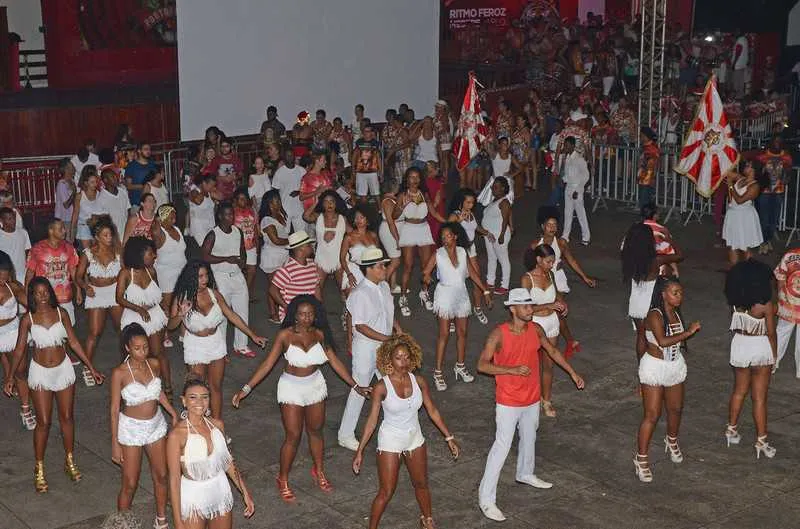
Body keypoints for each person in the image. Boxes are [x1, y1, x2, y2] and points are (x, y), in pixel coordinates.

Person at [232, 295, 368, 501]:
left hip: (315, 386)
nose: (307, 318)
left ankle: (319, 470)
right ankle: (282, 478)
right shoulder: (285, 335)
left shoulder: (320, 334)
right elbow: (268, 364)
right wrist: (246, 388)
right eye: (302, 314)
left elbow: (335, 362)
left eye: (310, 314)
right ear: (295, 316)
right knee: (293, 436)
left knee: (316, 431)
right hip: (291, 388)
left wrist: (356, 386)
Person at [477, 288, 584, 521]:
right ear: (512, 309)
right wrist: (511, 370)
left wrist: (572, 372)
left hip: (532, 397)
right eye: (525, 306)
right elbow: (482, 365)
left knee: (529, 436)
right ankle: (486, 499)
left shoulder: (536, 329)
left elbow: (552, 351)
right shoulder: (498, 334)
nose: (530, 310)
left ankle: (525, 473)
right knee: (502, 446)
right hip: (508, 400)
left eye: (530, 305)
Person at [3, 277, 103, 492]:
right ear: (31, 296)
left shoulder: (61, 313)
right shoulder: (28, 319)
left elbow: (73, 341)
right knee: (44, 422)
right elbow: (19, 350)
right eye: (37, 293)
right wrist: (10, 377)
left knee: (67, 417)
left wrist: (91, 367)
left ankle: (70, 460)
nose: (42, 296)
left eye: (45, 292)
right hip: (40, 373)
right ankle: (39, 468)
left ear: (50, 292)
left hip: (63, 370)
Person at [352, 333, 460, 529]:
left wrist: (449, 437)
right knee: (386, 491)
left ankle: (427, 520)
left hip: (414, 438)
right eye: (398, 357)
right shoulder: (381, 387)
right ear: (389, 360)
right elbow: (372, 421)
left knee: (421, 484)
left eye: (406, 357)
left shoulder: (419, 381)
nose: (403, 362)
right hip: (390, 440)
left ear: (413, 358)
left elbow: (432, 410)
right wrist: (360, 451)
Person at [169, 260, 266, 419]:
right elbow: (170, 326)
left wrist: (252, 335)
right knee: (198, 388)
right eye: (200, 276)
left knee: (215, 387)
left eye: (206, 275)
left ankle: (217, 424)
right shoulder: (181, 298)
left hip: (215, 343)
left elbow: (232, 315)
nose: (204, 279)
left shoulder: (214, 294)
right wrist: (181, 314)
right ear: (191, 277)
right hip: (195, 345)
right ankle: (198, 424)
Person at [110, 323, 178, 529]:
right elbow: (114, 409)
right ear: (127, 348)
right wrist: (115, 443)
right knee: (130, 482)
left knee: (162, 475)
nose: (143, 352)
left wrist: (172, 412)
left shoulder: (154, 364)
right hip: (131, 429)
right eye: (137, 348)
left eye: (146, 347)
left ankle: (161, 519)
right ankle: (123, 524)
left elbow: (157, 392)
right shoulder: (120, 373)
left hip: (155, 425)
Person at [634, 276, 700, 482]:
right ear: (663, 294)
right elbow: (662, 341)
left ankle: (671, 440)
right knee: (652, 414)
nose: (679, 296)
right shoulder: (654, 315)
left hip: (674, 365)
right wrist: (688, 332)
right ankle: (641, 459)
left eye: (680, 293)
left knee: (676, 408)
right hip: (654, 367)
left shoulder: (675, 312)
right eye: (675, 293)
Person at [166, 378, 255, 529]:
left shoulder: (217, 425)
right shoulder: (176, 435)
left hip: (220, 489)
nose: (199, 402)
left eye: (204, 397)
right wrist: (178, 521)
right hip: (193, 496)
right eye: (193, 397)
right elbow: (174, 479)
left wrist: (245, 493)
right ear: (184, 401)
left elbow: (228, 462)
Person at [338, 248, 402, 451]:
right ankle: (345, 435)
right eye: (380, 266)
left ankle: (395, 427)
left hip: (384, 345)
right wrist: (387, 338)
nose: (385, 268)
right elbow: (360, 326)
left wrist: (397, 328)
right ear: (369, 269)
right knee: (360, 388)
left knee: (391, 385)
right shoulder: (359, 294)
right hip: (366, 348)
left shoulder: (384, 287)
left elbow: (386, 312)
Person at [424, 222, 492, 391]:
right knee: (444, 334)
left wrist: (485, 291)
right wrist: (426, 278)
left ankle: (460, 366)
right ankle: (438, 372)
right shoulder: (438, 254)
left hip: (461, 294)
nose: (445, 239)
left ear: (455, 236)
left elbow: (473, 274)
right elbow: (425, 272)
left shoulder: (462, 252)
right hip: (444, 295)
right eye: (443, 237)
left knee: (462, 333)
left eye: (448, 236)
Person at [724, 260, 777, 459]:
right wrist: (774, 356)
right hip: (760, 347)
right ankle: (761, 441)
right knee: (759, 398)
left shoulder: (735, 304)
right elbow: (771, 333)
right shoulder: (765, 306)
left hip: (740, 345)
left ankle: (731, 429)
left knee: (739, 391)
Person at [532, 206, 596, 356]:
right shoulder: (535, 245)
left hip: (558, 279)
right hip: (543, 280)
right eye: (549, 225)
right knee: (551, 312)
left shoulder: (561, 243)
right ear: (543, 226)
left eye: (555, 225)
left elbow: (571, 260)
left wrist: (584, 277)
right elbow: (531, 265)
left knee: (557, 310)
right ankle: (567, 341)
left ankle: (565, 342)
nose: (552, 228)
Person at [116, 237, 172, 398]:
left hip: (154, 316)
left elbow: (158, 294)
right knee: (133, 356)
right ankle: (131, 389)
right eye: (150, 253)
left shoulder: (151, 271)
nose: (154, 256)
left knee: (158, 353)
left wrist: (165, 309)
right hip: (134, 317)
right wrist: (138, 309)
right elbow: (119, 298)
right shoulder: (125, 273)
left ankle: (167, 387)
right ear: (139, 254)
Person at [621, 222, 684, 364]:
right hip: (650, 302)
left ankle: (641, 367)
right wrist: (669, 239)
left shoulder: (628, 257)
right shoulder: (656, 260)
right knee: (654, 338)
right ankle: (655, 364)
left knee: (641, 335)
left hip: (635, 301)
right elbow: (679, 256)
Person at [201, 201, 253, 358]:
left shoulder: (237, 231)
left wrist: (242, 262)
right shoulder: (213, 234)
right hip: (221, 276)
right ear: (220, 216)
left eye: (232, 214)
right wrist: (225, 259)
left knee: (243, 310)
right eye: (227, 214)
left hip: (237, 275)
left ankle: (241, 345)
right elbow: (204, 256)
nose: (231, 217)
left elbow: (242, 250)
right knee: (223, 314)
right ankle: (221, 350)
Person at [76, 215, 122, 384]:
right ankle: (88, 367)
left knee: (122, 329)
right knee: (94, 332)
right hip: (96, 294)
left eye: (110, 234)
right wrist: (85, 287)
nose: (109, 238)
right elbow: (78, 276)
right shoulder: (88, 254)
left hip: (115, 292)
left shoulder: (117, 251)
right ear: (97, 237)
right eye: (105, 235)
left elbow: (125, 272)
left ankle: (129, 362)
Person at [394, 167, 445, 316]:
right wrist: (402, 205)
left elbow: (433, 213)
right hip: (409, 229)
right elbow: (394, 215)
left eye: (417, 177)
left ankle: (424, 292)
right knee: (408, 266)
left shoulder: (424, 194)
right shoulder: (403, 195)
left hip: (423, 229)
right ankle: (403, 298)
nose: (415, 180)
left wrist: (449, 222)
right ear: (407, 179)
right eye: (412, 177)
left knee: (426, 265)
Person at [448, 189, 495, 324]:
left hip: (471, 248)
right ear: (461, 202)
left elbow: (475, 227)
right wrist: (458, 222)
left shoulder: (471, 214)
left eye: (472, 203)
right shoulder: (455, 215)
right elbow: (446, 232)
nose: (471, 205)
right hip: (458, 251)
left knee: (477, 279)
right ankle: (452, 316)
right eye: (468, 202)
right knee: (456, 283)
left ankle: (477, 308)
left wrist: (486, 233)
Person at [26, 218, 81, 326]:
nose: (64, 231)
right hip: (45, 300)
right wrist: (28, 296)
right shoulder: (37, 249)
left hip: (65, 298)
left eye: (64, 228)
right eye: (61, 229)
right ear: (51, 230)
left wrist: (78, 290)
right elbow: (30, 274)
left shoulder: (69, 247)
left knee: (68, 330)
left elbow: (73, 271)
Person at [0, 252, 32, 429]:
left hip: (12, 331)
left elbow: (31, 303)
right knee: (6, 359)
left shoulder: (13, 286)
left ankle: (26, 409)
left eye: (5, 277)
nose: (2, 281)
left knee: (20, 370)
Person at [152, 204, 187, 347]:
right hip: (166, 274)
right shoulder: (159, 233)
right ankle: (164, 334)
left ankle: (183, 333)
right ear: (163, 217)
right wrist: (157, 219)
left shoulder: (177, 229)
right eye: (170, 216)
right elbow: (154, 228)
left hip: (181, 271)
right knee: (166, 305)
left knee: (184, 302)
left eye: (175, 215)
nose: (174, 218)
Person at [269, 231, 321, 321]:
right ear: (301, 248)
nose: (311, 247)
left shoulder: (312, 264)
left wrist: (319, 307)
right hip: (293, 317)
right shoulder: (287, 269)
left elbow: (316, 288)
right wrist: (287, 307)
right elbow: (272, 290)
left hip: (309, 313)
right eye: (308, 245)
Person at [722, 159, 765, 266]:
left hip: (744, 216)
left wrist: (731, 185)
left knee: (745, 246)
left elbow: (740, 200)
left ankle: (748, 270)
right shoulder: (741, 179)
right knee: (732, 244)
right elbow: (726, 173)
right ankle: (734, 271)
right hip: (733, 214)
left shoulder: (755, 186)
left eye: (748, 165)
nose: (745, 166)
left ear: (753, 170)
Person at [304, 190, 347, 294]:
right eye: (326, 201)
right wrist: (316, 202)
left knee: (344, 290)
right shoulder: (318, 217)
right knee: (317, 289)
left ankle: (345, 303)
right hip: (321, 258)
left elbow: (351, 234)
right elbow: (305, 216)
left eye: (332, 201)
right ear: (322, 204)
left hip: (339, 259)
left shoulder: (343, 218)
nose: (329, 204)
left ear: (336, 203)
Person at [756, 136, 793, 254]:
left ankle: (767, 240)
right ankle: (763, 242)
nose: (777, 143)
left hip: (778, 192)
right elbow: (757, 173)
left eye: (779, 141)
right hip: (764, 192)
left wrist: (786, 174)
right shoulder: (763, 156)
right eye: (775, 141)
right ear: (771, 142)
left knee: (774, 221)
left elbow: (788, 177)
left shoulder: (786, 157)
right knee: (764, 219)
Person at [258, 189, 290, 323]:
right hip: (272, 256)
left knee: (282, 286)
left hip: (283, 255)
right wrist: (292, 241)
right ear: (269, 204)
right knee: (274, 287)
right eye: (276, 201)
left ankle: (280, 312)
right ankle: (273, 313)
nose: (279, 203)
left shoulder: (281, 215)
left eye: (279, 200)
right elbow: (275, 240)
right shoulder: (267, 220)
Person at [482, 177, 513, 296]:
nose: (492, 189)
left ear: (503, 188)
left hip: (499, 234)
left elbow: (505, 219)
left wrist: (502, 235)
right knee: (492, 258)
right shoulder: (495, 200)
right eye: (493, 186)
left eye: (495, 187)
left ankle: (505, 286)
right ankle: (490, 282)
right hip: (490, 234)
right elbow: (510, 214)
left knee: (503, 259)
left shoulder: (504, 202)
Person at [774, 245, 800, 376]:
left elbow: (780, 276)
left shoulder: (790, 255)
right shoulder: (790, 254)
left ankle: (773, 362)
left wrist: (780, 295)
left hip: (788, 302)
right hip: (789, 302)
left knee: (781, 333)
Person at [560, 136, 591, 246]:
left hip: (576, 189)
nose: (565, 147)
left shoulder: (579, 159)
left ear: (573, 146)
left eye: (567, 145)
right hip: (568, 187)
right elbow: (566, 173)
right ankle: (565, 235)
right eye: (565, 145)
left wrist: (578, 190)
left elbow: (586, 176)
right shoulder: (567, 158)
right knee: (567, 213)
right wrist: (564, 180)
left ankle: (586, 236)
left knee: (580, 214)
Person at [71, 166, 109, 248]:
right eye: (92, 182)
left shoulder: (100, 195)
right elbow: (75, 215)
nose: (95, 184)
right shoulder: (80, 196)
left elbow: (105, 213)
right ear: (86, 183)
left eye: (96, 182)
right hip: (83, 228)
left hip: (97, 229)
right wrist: (72, 234)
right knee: (87, 253)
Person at [272, 148, 308, 232]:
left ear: (294, 156)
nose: (290, 157)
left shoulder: (302, 171)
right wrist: (280, 208)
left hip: (299, 207)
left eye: (291, 155)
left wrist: (299, 192)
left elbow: (308, 188)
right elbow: (275, 192)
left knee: (301, 234)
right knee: (284, 233)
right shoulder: (279, 173)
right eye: (287, 156)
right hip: (285, 208)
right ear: (284, 158)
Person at [232, 188, 259, 301]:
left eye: (245, 199)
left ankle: (245, 294)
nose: (243, 201)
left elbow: (255, 227)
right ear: (236, 200)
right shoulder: (232, 212)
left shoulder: (251, 211)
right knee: (239, 271)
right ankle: (239, 294)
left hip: (251, 245)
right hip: (238, 247)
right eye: (240, 199)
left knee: (252, 271)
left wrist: (257, 243)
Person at [641, 203, 680, 277]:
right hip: (654, 260)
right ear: (654, 215)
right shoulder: (661, 229)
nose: (660, 214)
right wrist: (675, 270)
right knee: (667, 247)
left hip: (636, 258)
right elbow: (669, 247)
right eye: (658, 212)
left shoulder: (636, 227)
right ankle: (674, 272)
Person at [378, 191, 403, 293]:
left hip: (394, 231)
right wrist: (397, 239)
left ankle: (393, 285)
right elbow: (390, 223)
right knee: (396, 261)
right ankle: (381, 287)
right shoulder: (388, 201)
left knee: (394, 259)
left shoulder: (392, 199)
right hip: (389, 232)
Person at [98, 168, 132, 239]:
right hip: (113, 236)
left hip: (126, 233)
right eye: (112, 176)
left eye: (115, 176)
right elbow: (103, 221)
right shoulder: (101, 198)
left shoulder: (123, 191)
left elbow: (128, 209)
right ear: (105, 180)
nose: (116, 178)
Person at [0, 207, 31, 284]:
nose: (13, 221)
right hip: (6, 277)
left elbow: (28, 252)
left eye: (14, 218)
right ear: (1, 220)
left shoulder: (23, 233)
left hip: (22, 274)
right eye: (9, 219)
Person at [353, 124, 382, 202]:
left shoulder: (375, 143)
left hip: (373, 171)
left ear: (371, 132)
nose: (366, 133)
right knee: (362, 194)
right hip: (360, 171)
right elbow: (355, 155)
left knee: (376, 192)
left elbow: (378, 157)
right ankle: (364, 208)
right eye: (365, 131)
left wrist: (380, 171)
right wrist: (353, 169)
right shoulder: (359, 142)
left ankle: (380, 208)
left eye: (368, 131)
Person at [125, 142, 158, 209]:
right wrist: (145, 186)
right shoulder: (131, 166)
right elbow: (128, 186)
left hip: (152, 202)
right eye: (145, 149)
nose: (148, 151)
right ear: (139, 151)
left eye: (149, 149)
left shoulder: (152, 164)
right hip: (137, 204)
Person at [188, 174, 218, 247]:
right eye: (211, 185)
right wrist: (204, 191)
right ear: (204, 183)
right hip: (199, 230)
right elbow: (198, 201)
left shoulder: (209, 194)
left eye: (214, 185)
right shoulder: (194, 192)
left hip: (210, 227)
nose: (213, 187)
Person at [638, 127, 660, 210]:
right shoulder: (647, 147)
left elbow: (651, 164)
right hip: (644, 177)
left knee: (645, 201)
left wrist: (642, 165)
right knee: (645, 199)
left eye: (642, 136)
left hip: (647, 178)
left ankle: (646, 215)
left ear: (646, 136)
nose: (640, 138)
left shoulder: (651, 148)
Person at [54, 159, 77, 238]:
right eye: (72, 166)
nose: (74, 167)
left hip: (71, 218)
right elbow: (66, 205)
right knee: (68, 242)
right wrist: (74, 192)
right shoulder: (62, 184)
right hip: (65, 219)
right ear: (66, 169)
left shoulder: (72, 181)